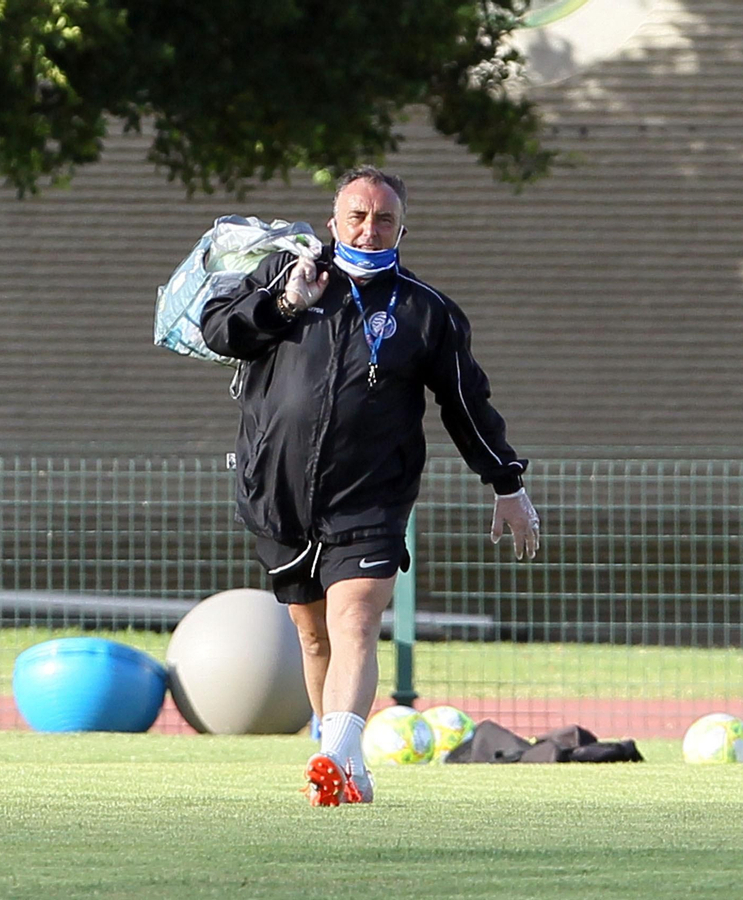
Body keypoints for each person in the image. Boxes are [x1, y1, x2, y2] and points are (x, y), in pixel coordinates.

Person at [199, 166, 540, 805]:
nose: (369, 226)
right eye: (357, 214)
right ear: (334, 221)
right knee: (313, 634)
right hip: (278, 494)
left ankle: (332, 753)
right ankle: (346, 768)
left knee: (355, 616)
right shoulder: (287, 275)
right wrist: (284, 303)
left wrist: (506, 482)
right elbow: (216, 330)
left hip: (372, 498)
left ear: (402, 226)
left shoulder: (425, 310)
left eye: (383, 217)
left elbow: (466, 405)